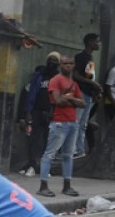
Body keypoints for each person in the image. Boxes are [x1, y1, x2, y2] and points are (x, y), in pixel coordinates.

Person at [38, 55, 85, 198]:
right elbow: (58, 101)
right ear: (60, 65)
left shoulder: (73, 83)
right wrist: (73, 100)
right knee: (50, 154)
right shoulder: (56, 80)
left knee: (68, 155)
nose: (68, 66)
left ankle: (67, 186)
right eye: (65, 64)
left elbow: (83, 103)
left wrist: (69, 98)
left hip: (72, 122)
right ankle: (43, 186)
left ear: (74, 65)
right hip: (59, 122)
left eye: (70, 63)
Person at [16, 51, 60, 176]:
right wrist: (27, 112)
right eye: (50, 59)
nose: (52, 62)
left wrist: (55, 112)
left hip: (51, 114)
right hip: (36, 113)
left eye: (55, 60)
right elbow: (30, 95)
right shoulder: (39, 76)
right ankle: (32, 164)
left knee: (48, 142)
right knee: (33, 140)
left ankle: (44, 167)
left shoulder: (59, 78)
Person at [72, 33, 100, 158]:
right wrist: (93, 83)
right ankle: (72, 150)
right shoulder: (81, 56)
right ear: (90, 42)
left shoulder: (90, 58)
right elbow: (76, 75)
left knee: (83, 124)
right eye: (97, 41)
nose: (98, 44)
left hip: (88, 94)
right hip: (80, 92)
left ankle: (79, 150)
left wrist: (94, 89)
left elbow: (88, 76)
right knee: (76, 122)